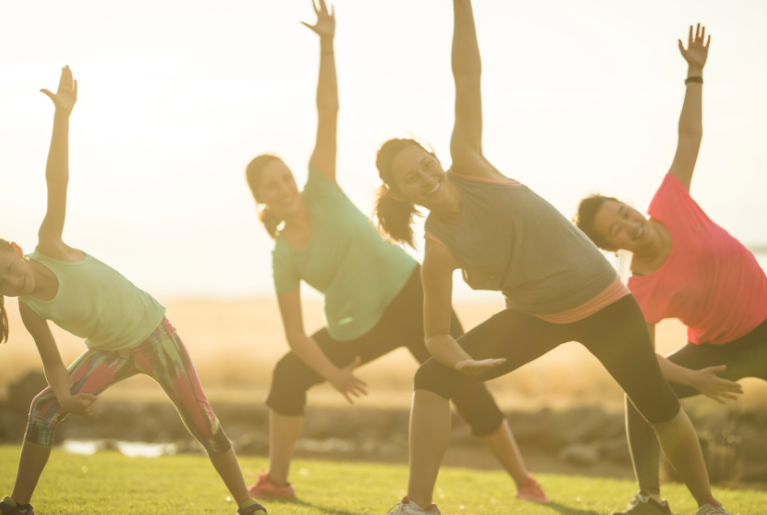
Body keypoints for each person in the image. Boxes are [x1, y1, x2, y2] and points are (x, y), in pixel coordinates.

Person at [373, 2, 730, 514]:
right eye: (413, 179)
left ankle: (707, 505)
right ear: (403, 192)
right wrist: (461, 360)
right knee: (431, 377)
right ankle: (419, 506)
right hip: (535, 316)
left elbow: (467, 74)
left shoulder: (470, 162)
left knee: (656, 402)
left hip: (605, 302)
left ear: (435, 157)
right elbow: (435, 336)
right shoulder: (438, 246)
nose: (428, 178)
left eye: (427, 165)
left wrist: (461, 6)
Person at [243, 0, 546, 504]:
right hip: (359, 324)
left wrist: (326, 44)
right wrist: (333, 372)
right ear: (261, 198)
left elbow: (328, 110)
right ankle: (277, 480)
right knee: (288, 373)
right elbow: (296, 334)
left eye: (284, 177)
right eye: (270, 186)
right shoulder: (282, 254)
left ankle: (524, 482)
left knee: (465, 381)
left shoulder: (320, 185)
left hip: (412, 294)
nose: (283, 188)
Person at [0, 66, 267, 515]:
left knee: (202, 421)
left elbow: (57, 181)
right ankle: (17, 505)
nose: (14, 281)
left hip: (155, 335)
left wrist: (62, 116)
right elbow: (51, 362)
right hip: (111, 351)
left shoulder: (50, 245)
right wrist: (66, 398)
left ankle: (246, 504)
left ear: (16, 249)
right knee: (44, 408)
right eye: (3, 285)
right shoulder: (30, 309)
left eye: (8, 268)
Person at [575, 25, 765, 515]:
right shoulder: (639, 289)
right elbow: (643, 359)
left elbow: (689, 135)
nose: (628, 225)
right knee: (641, 391)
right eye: (615, 230)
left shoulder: (671, 201)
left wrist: (694, 74)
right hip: (717, 349)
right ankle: (651, 498)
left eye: (623, 212)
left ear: (632, 205)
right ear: (610, 244)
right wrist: (694, 379)